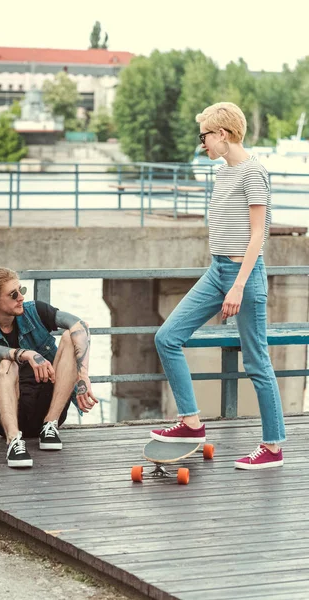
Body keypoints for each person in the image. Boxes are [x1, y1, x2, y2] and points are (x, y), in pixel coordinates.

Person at [151, 102, 285, 470]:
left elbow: (259, 235)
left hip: (245, 275)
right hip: (216, 272)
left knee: (257, 361)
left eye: (205, 136)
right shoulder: (222, 173)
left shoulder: (253, 173)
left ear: (222, 135)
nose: (203, 144)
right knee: (167, 337)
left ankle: (272, 447)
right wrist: (225, 279)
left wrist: (239, 286)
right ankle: (192, 423)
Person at [0, 266, 98, 468]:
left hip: (48, 407)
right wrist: (24, 354)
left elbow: (80, 326)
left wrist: (83, 375)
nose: (20, 298)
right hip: (7, 414)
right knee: (7, 361)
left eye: (21, 290)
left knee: (70, 336)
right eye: (13, 294)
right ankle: (14, 442)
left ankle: (50, 427)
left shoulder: (34, 312)